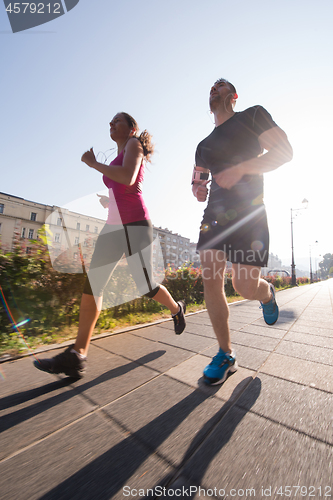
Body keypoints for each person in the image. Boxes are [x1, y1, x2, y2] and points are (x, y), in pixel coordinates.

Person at [34, 112, 186, 379]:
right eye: (111, 121)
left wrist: (94, 164)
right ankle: (77, 355)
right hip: (113, 227)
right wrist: (110, 202)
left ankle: (176, 308)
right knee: (94, 283)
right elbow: (121, 186)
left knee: (145, 286)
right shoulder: (120, 153)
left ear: (131, 128)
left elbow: (128, 177)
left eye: (117, 120)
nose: (111, 124)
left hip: (136, 225)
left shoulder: (134, 145)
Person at [192, 78, 293, 385]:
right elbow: (197, 181)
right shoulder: (203, 146)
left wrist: (241, 169)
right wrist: (197, 189)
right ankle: (226, 354)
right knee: (211, 277)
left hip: (250, 214)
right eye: (211, 87)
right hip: (215, 217)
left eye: (221, 86)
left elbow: (284, 152)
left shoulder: (253, 116)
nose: (214, 89)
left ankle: (266, 294)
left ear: (233, 96)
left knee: (244, 288)